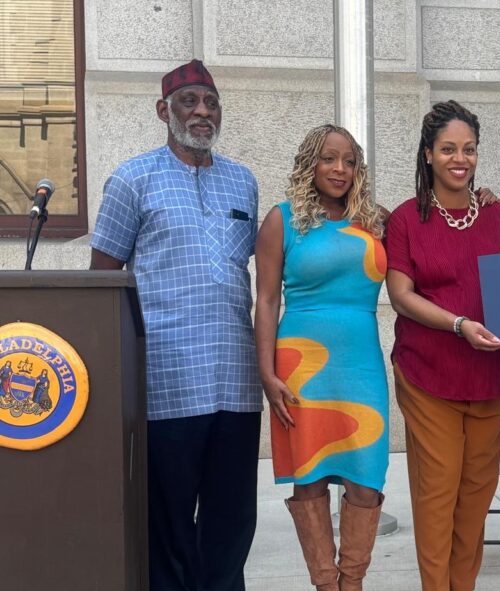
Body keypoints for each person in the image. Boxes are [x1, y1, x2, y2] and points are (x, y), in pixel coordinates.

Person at [90, 59, 263, 591]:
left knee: (232, 520)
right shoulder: (131, 179)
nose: (203, 112)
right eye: (189, 101)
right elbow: (104, 281)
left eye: (210, 102)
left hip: (236, 381)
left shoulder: (243, 182)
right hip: (166, 381)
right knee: (168, 524)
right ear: (164, 110)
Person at [384, 100, 500, 591]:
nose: (459, 159)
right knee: (438, 494)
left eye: (468, 149)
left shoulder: (498, 215)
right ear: (427, 155)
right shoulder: (405, 219)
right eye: (447, 149)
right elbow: (400, 295)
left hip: (488, 377)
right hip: (428, 375)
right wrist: (459, 322)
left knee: (477, 497)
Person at [254, 125, 389, 591]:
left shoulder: (374, 221)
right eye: (329, 159)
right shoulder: (282, 220)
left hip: (362, 365)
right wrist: (266, 372)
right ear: (310, 162)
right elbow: (267, 300)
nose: (340, 169)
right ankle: (327, 586)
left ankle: (352, 583)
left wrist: (480, 195)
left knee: (365, 479)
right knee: (309, 480)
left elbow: (435, 220)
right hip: (302, 366)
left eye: (349, 161)